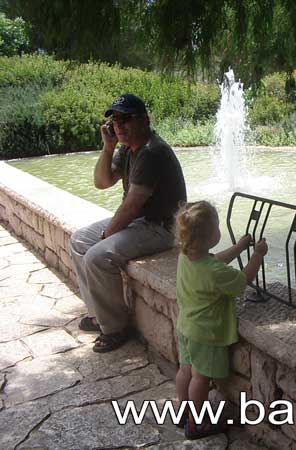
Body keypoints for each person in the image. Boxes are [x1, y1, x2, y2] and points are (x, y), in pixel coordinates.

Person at [70, 93, 187, 353]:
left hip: (160, 227)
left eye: (126, 119)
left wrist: (106, 235)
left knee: (97, 256)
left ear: (144, 120)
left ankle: (115, 328)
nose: (119, 125)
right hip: (140, 222)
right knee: (78, 241)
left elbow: (132, 204)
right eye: (115, 120)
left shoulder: (151, 151)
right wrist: (108, 147)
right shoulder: (127, 149)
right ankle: (98, 315)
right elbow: (102, 182)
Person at [173, 201, 267, 439]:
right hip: (206, 333)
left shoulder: (186, 256)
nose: (219, 230)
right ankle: (197, 423)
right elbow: (243, 280)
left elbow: (216, 260)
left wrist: (239, 247)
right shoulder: (214, 272)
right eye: (216, 227)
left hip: (186, 326)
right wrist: (257, 254)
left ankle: (183, 412)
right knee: (200, 379)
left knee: (185, 371)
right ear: (209, 236)